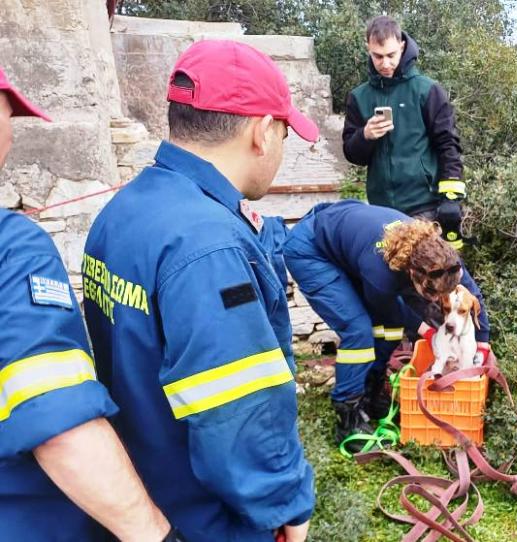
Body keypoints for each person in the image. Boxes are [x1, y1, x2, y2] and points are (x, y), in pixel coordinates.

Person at [82, 41, 316, 541]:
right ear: (262, 131)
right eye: (285, 133)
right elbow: (237, 410)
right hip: (207, 517)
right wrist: (286, 507)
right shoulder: (209, 246)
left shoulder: (122, 212)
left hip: (141, 494)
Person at [0, 66, 177, 541]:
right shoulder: (12, 247)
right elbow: (56, 418)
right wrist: (155, 534)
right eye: (8, 116)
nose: (12, 137)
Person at [282, 200, 491, 450]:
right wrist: (428, 331)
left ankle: (371, 391)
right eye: (431, 294)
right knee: (358, 330)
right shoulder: (381, 273)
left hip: (348, 239)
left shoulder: (444, 259)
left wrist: (482, 342)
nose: (436, 301)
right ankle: (348, 413)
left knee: (390, 331)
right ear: (413, 273)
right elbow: (389, 309)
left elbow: (472, 294)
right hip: (311, 250)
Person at [341, 15, 467, 249]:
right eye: (378, 56)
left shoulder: (427, 90)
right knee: (390, 281)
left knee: (430, 280)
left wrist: (451, 199)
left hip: (425, 206)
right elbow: (352, 154)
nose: (385, 63)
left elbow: (448, 144)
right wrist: (365, 136)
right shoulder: (359, 97)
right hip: (382, 211)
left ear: (402, 47)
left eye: (391, 55)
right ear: (367, 47)